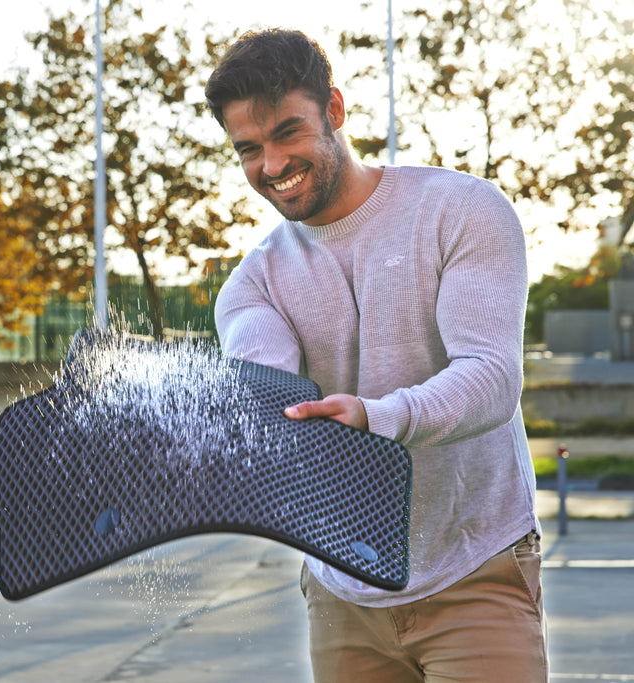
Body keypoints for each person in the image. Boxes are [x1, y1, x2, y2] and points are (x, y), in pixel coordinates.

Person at [205, 29, 545, 682]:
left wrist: (374, 416)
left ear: (334, 109)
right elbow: (266, 395)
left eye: (287, 133)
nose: (271, 165)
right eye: (249, 149)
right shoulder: (253, 283)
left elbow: (492, 376)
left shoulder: (460, 210)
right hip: (342, 589)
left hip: (474, 567)